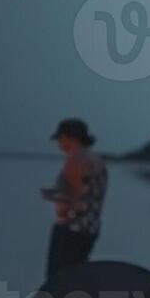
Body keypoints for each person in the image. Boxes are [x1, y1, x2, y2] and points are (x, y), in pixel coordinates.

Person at [42, 118, 108, 278]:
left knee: (58, 280)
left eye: (60, 138)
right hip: (90, 229)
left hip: (71, 230)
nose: (59, 143)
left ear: (70, 137)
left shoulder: (75, 160)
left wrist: (57, 201)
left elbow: (69, 201)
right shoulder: (97, 161)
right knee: (77, 279)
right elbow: (89, 195)